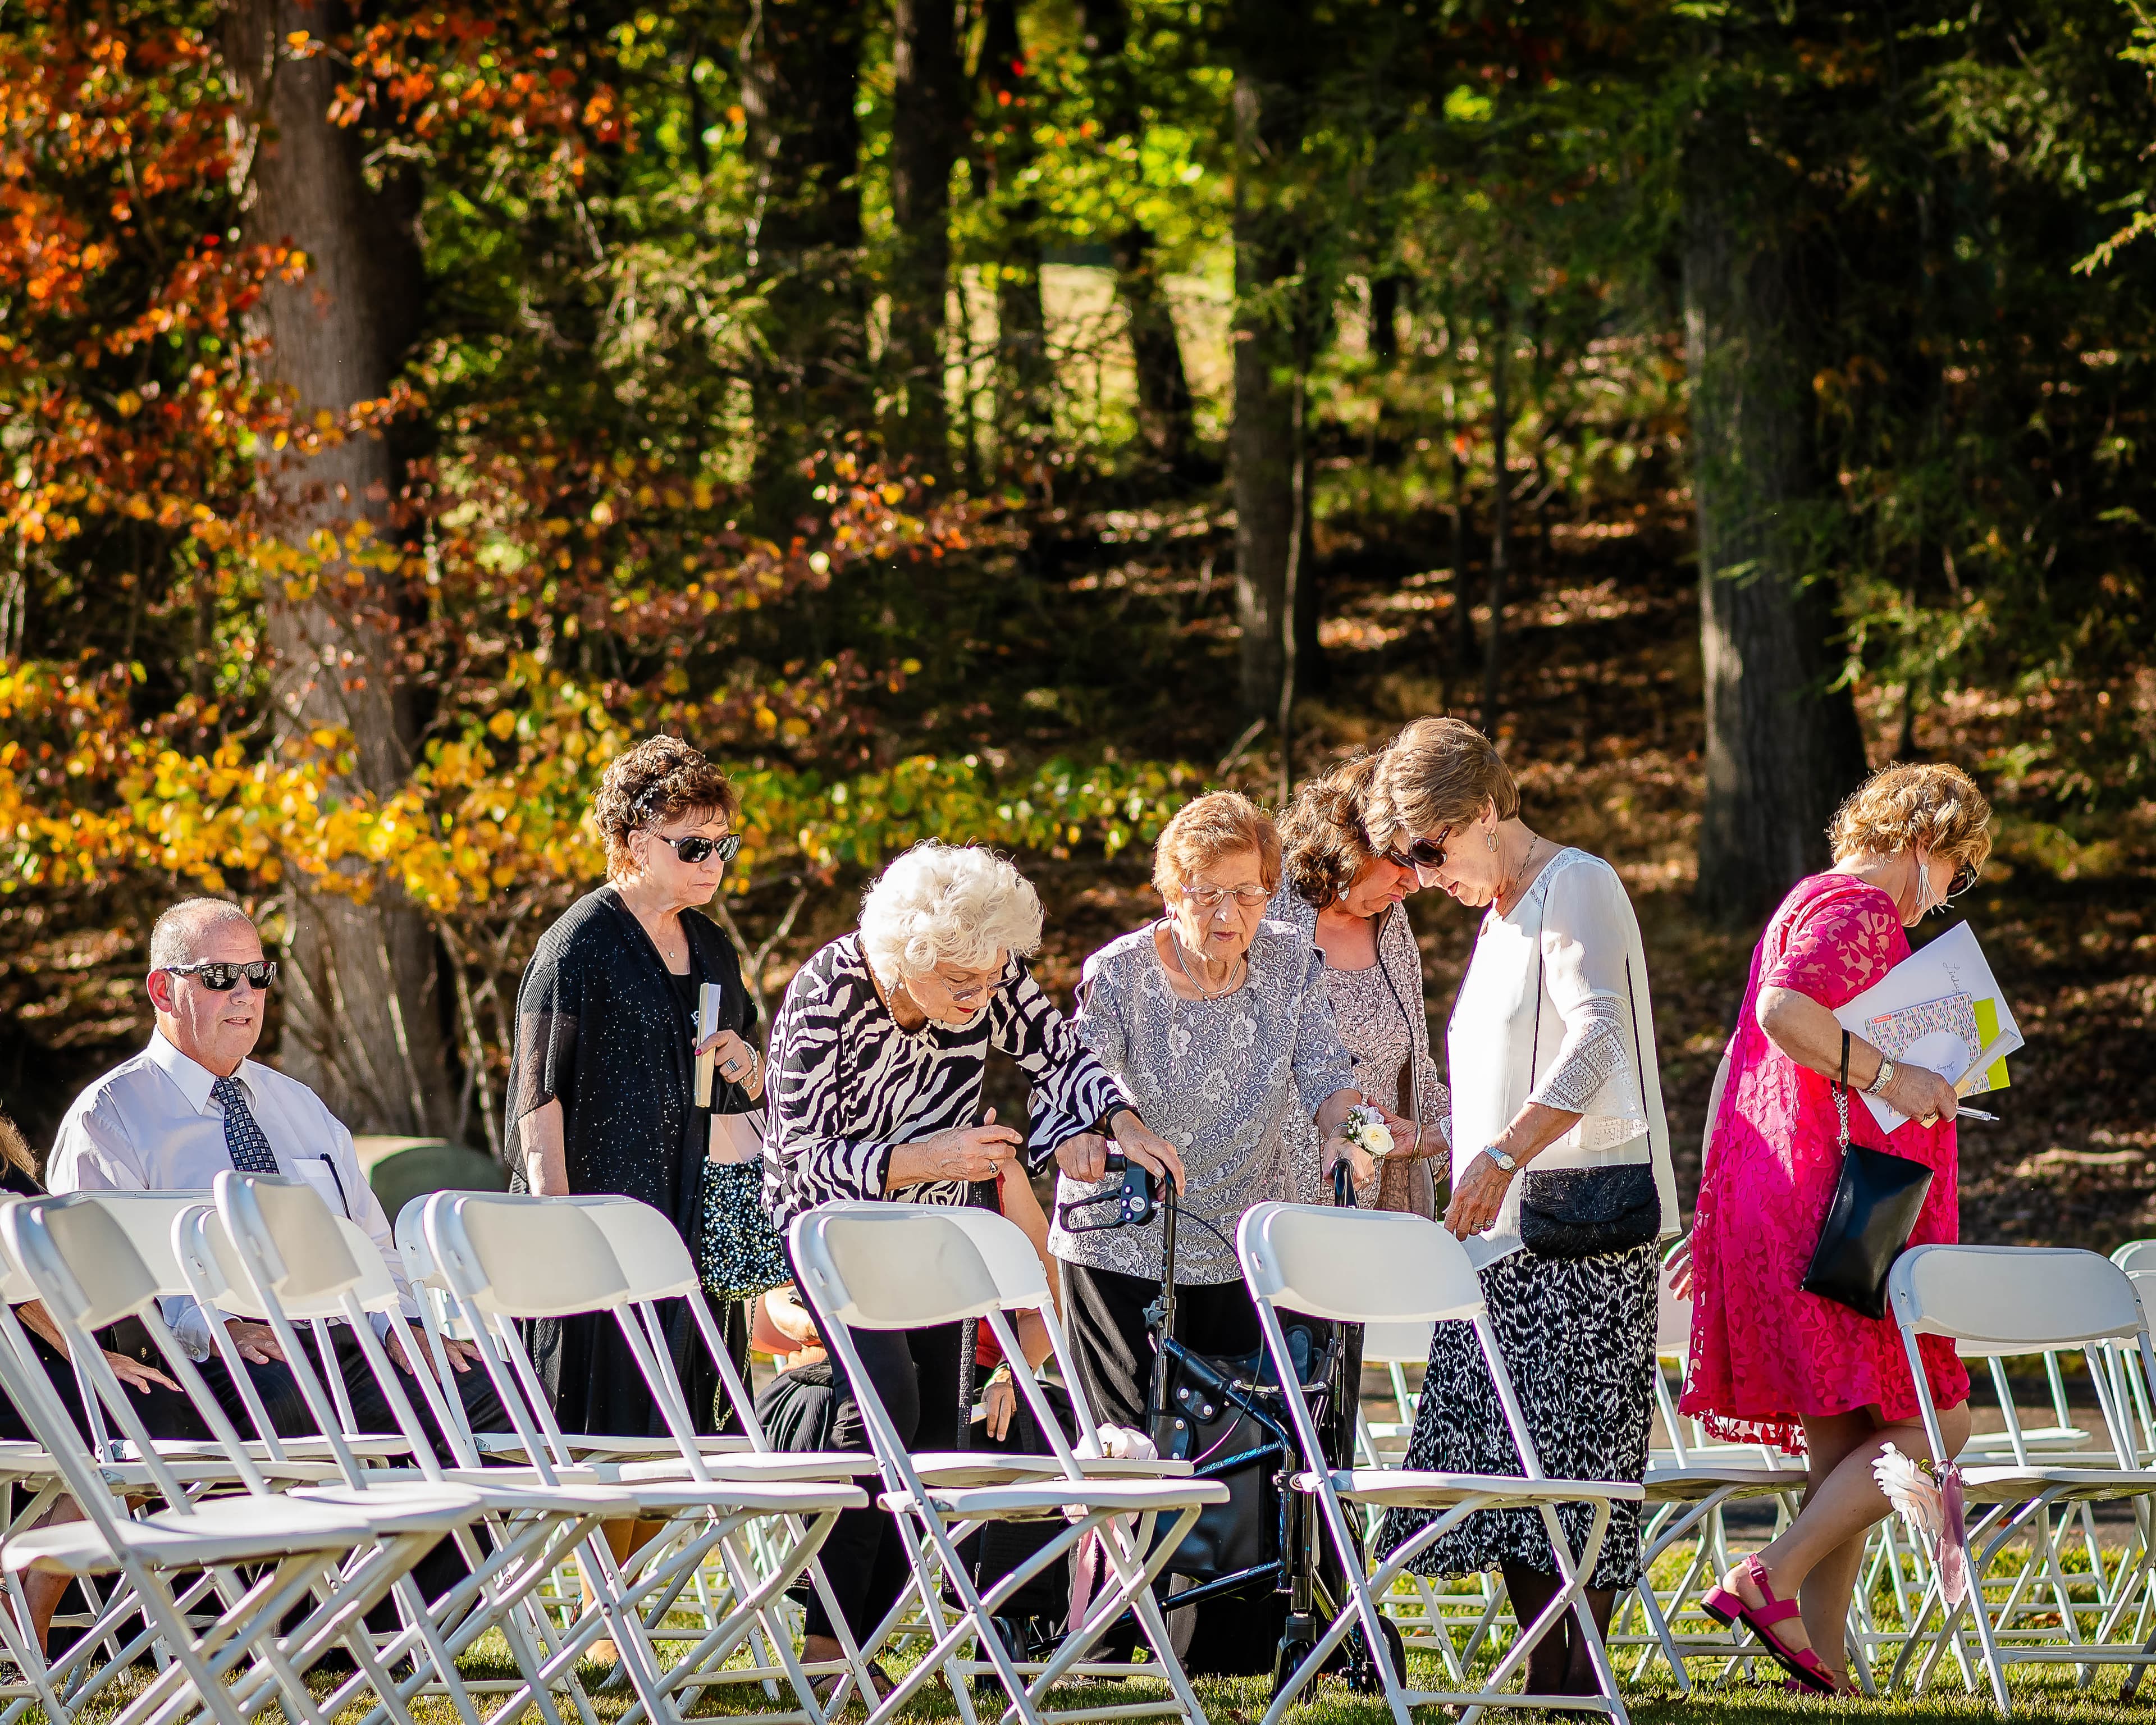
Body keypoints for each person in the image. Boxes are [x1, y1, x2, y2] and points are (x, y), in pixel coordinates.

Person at [764, 838, 1183, 1680]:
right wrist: (929, 1157)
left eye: (993, 980)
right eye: (963, 984)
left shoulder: (983, 973)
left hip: (932, 1235)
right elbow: (796, 1161)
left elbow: (1062, 1056)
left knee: (934, 1432)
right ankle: (822, 1640)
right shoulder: (828, 991)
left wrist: (1123, 1125)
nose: (981, 999)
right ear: (906, 958)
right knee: (883, 1402)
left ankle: (860, 1644)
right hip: (831, 1229)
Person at [1364, 718, 1678, 1699]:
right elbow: (1509, 1079)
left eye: (1429, 848)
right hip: (1502, 1237)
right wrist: (1434, 1140)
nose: (1421, 874)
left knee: (1569, 1465)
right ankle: (1554, 1679)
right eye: (1405, 859)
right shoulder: (1498, 917)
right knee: (1505, 1466)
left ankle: (1569, 1681)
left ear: (1485, 810)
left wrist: (1501, 1154)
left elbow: (1598, 1045)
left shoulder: (1575, 884)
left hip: (1579, 1227)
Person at [1677, 763, 1989, 1695]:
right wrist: (1894, 1076)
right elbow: (1782, 1014)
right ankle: (1767, 1573)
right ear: (1926, 841)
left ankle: (1820, 1662)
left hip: (1793, 1192)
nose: (1952, 892)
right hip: (1838, 1201)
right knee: (1939, 1416)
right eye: (1961, 867)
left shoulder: (1808, 899)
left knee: (1845, 1432)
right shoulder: (1862, 909)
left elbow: (1750, 1045)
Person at [47, 897, 505, 1449]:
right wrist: (212, 1327)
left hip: (341, 1343)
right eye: (220, 976)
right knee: (283, 1401)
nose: (245, 994)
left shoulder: (301, 1108)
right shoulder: (111, 1118)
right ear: (163, 990)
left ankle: (431, 1539)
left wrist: (401, 1326)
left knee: (488, 1392)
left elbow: (374, 1243)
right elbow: (101, 1282)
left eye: (258, 975)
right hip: (209, 1358)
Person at [1045, 790, 1394, 1434]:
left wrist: (1357, 1136)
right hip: (1120, 1241)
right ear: (1172, 893)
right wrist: (1094, 1133)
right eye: (1208, 894)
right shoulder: (1119, 974)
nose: (1229, 914)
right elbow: (1074, 1080)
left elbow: (1329, 1072)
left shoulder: (1292, 961)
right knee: (1134, 1451)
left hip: (1237, 1240)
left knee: (1237, 1449)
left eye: (1249, 893)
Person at [506, 732, 763, 1439]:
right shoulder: (577, 944)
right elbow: (537, 1097)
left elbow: (740, 1089)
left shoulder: (713, 945)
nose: (713, 862)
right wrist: (559, 1229)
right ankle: (608, 1559)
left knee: (684, 1442)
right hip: (602, 1225)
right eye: (692, 846)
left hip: (691, 1222)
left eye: (723, 844)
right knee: (608, 1438)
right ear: (632, 840)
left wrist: (746, 1064)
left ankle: (659, 1557)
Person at [0, 1106, 183, 1651]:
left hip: (46, 1364)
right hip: (21, 1373)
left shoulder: (8, 1161)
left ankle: (27, 1595)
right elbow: (10, 1266)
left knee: (159, 1415)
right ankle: (28, 1615)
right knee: (149, 1418)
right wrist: (86, 1353)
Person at [1274, 750, 1452, 1215]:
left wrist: (1459, 1134)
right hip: (1267, 1207)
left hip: (1365, 1206)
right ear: (1355, 841)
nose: (1416, 883)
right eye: (1401, 861)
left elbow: (1414, 1065)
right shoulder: (1265, 916)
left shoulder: (1393, 926)